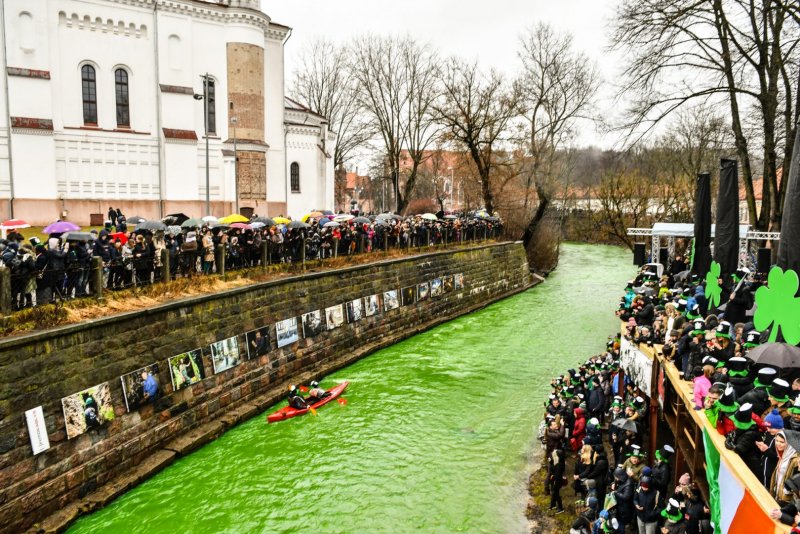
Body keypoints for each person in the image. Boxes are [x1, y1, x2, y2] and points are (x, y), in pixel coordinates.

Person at [548, 448, 566, 514]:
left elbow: (557, 474)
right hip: (556, 480)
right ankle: (553, 505)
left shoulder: (559, 464)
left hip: (557, 481)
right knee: (554, 492)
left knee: (556, 493)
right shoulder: (559, 461)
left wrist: (554, 478)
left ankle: (560, 508)